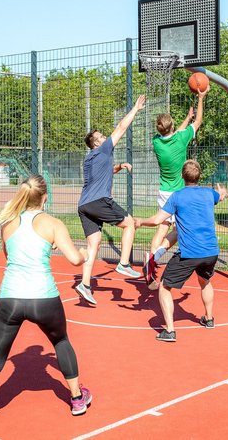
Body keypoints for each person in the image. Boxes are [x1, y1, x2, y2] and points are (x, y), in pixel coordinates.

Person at [0, 175, 92, 439]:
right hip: (43, 298)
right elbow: (75, 260)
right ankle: (77, 398)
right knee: (61, 342)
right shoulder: (53, 223)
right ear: (45, 197)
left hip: (9, 299)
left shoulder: (8, 224)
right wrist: (87, 252)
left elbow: (10, 257)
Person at [135, 160, 226, 342]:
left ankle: (169, 330)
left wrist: (140, 221)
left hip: (190, 253)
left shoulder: (177, 196)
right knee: (205, 281)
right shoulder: (209, 194)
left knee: (164, 287)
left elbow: (156, 220)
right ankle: (209, 319)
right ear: (200, 176)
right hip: (210, 252)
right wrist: (222, 193)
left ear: (182, 177)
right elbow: (220, 197)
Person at [74, 94, 146, 305]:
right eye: (102, 136)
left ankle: (84, 284)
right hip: (98, 201)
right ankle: (124, 263)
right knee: (130, 224)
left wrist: (118, 167)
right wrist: (135, 108)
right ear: (96, 143)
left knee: (94, 244)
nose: (106, 137)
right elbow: (121, 128)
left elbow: (101, 174)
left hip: (84, 205)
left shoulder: (89, 159)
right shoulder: (103, 148)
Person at [144, 86, 208, 291]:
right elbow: (198, 122)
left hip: (164, 191)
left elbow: (172, 134)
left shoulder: (157, 142)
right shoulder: (181, 139)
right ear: (172, 127)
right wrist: (200, 99)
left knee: (162, 229)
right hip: (179, 193)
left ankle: (151, 263)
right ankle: (158, 256)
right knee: (178, 232)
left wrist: (185, 121)